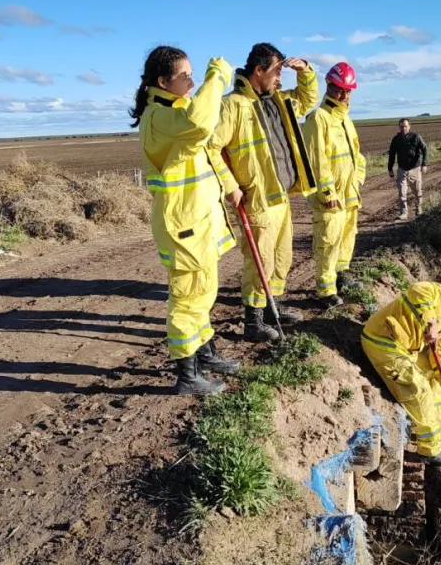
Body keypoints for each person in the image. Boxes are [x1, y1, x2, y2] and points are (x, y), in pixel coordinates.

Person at [131, 46, 241, 396]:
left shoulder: (174, 111)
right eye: (185, 76)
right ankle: (187, 374)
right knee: (186, 300)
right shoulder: (161, 117)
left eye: (194, 74)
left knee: (204, 292)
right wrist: (217, 77)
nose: (192, 82)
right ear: (163, 82)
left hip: (197, 220)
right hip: (184, 226)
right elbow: (201, 121)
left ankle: (204, 353)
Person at [209, 43, 320, 342]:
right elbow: (211, 148)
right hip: (256, 199)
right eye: (276, 71)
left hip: (280, 197)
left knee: (282, 258)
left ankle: (274, 308)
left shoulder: (279, 100)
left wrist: (306, 71)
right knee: (261, 261)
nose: (280, 78)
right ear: (258, 71)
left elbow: (309, 99)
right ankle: (253, 320)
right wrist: (230, 186)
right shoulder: (231, 106)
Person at [361, 281, 441, 465]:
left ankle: (437, 430)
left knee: (434, 380)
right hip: (383, 342)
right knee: (420, 390)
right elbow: (417, 290)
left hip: (405, 348)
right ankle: (429, 450)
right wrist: (431, 322)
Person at [303, 62, 366, 308]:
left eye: (348, 90)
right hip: (330, 196)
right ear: (328, 86)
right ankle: (326, 290)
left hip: (349, 194)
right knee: (328, 240)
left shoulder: (345, 120)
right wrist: (327, 192)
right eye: (340, 89)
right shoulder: (319, 118)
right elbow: (317, 160)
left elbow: (358, 157)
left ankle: (341, 278)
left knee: (347, 237)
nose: (345, 94)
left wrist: (357, 180)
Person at [387, 119, 429, 221]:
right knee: (402, 192)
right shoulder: (396, 139)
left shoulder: (416, 137)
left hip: (415, 168)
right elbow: (392, 154)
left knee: (417, 191)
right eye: (401, 126)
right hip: (402, 169)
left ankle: (418, 209)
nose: (403, 128)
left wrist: (424, 164)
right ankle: (404, 213)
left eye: (405, 126)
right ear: (399, 127)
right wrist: (390, 169)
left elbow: (425, 149)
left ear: (409, 126)